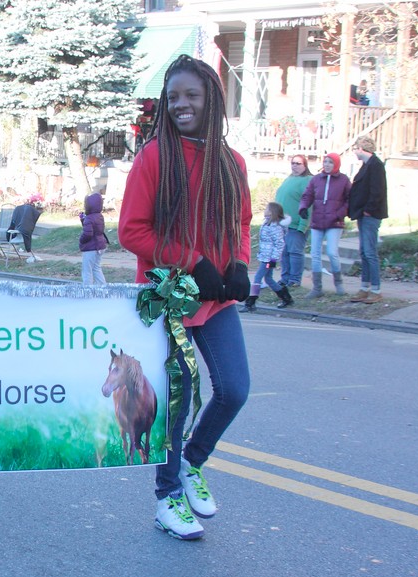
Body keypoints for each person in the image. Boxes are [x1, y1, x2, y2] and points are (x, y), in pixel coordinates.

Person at [118, 55, 252, 541]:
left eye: (191, 95)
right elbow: (132, 231)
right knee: (178, 401)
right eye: (172, 97)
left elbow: (240, 222)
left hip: (215, 299)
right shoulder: (153, 157)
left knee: (234, 389)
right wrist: (191, 260)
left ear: (211, 99)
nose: (180, 105)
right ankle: (167, 498)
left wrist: (238, 262)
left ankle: (193, 462)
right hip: (168, 298)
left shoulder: (231, 163)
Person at [299, 153, 350, 297]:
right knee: (315, 253)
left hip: (334, 222)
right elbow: (307, 195)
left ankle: (338, 283)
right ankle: (317, 287)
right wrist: (303, 207)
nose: (327, 165)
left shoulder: (344, 180)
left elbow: (349, 200)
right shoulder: (316, 179)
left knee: (332, 252)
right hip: (317, 221)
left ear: (336, 164)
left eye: (330, 162)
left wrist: (339, 214)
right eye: (325, 162)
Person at [348, 136, 388, 304]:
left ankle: (376, 289)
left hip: (371, 215)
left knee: (370, 252)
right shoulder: (367, 165)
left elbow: (377, 191)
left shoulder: (376, 165)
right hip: (362, 213)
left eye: (356, 148)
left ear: (362, 148)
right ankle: (364, 287)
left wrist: (369, 210)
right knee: (364, 252)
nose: (354, 152)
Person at [241, 202, 292, 311]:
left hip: (269, 259)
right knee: (268, 279)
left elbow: (279, 244)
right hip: (265, 256)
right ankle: (286, 297)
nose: (264, 211)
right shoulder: (267, 223)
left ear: (272, 211)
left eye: (267, 209)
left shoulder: (275, 227)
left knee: (257, 278)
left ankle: (250, 302)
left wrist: (273, 259)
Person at [275, 154, 313, 287]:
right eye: (293, 163)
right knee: (284, 253)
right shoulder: (289, 178)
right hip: (282, 224)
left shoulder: (308, 180)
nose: (295, 166)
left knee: (295, 252)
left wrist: (304, 225)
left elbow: (310, 204)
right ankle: (285, 278)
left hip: (297, 224)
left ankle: (295, 280)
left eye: (298, 163)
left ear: (305, 165)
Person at [78, 191, 108, 285]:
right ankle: (103, 288)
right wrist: (84, 220)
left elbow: (88, 234)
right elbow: (95, 229)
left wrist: (81, 240)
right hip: (100, 245)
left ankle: (87, 291)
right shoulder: (99, 216)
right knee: (96, 268)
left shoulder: (89, 218)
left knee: (87, 270)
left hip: (91, 248)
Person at [8, 194, 43, 259]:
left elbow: (12, 225)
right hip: (17, 232)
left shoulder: (18, 210)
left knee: (10, 231)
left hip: (17, 233)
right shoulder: (20, 211)